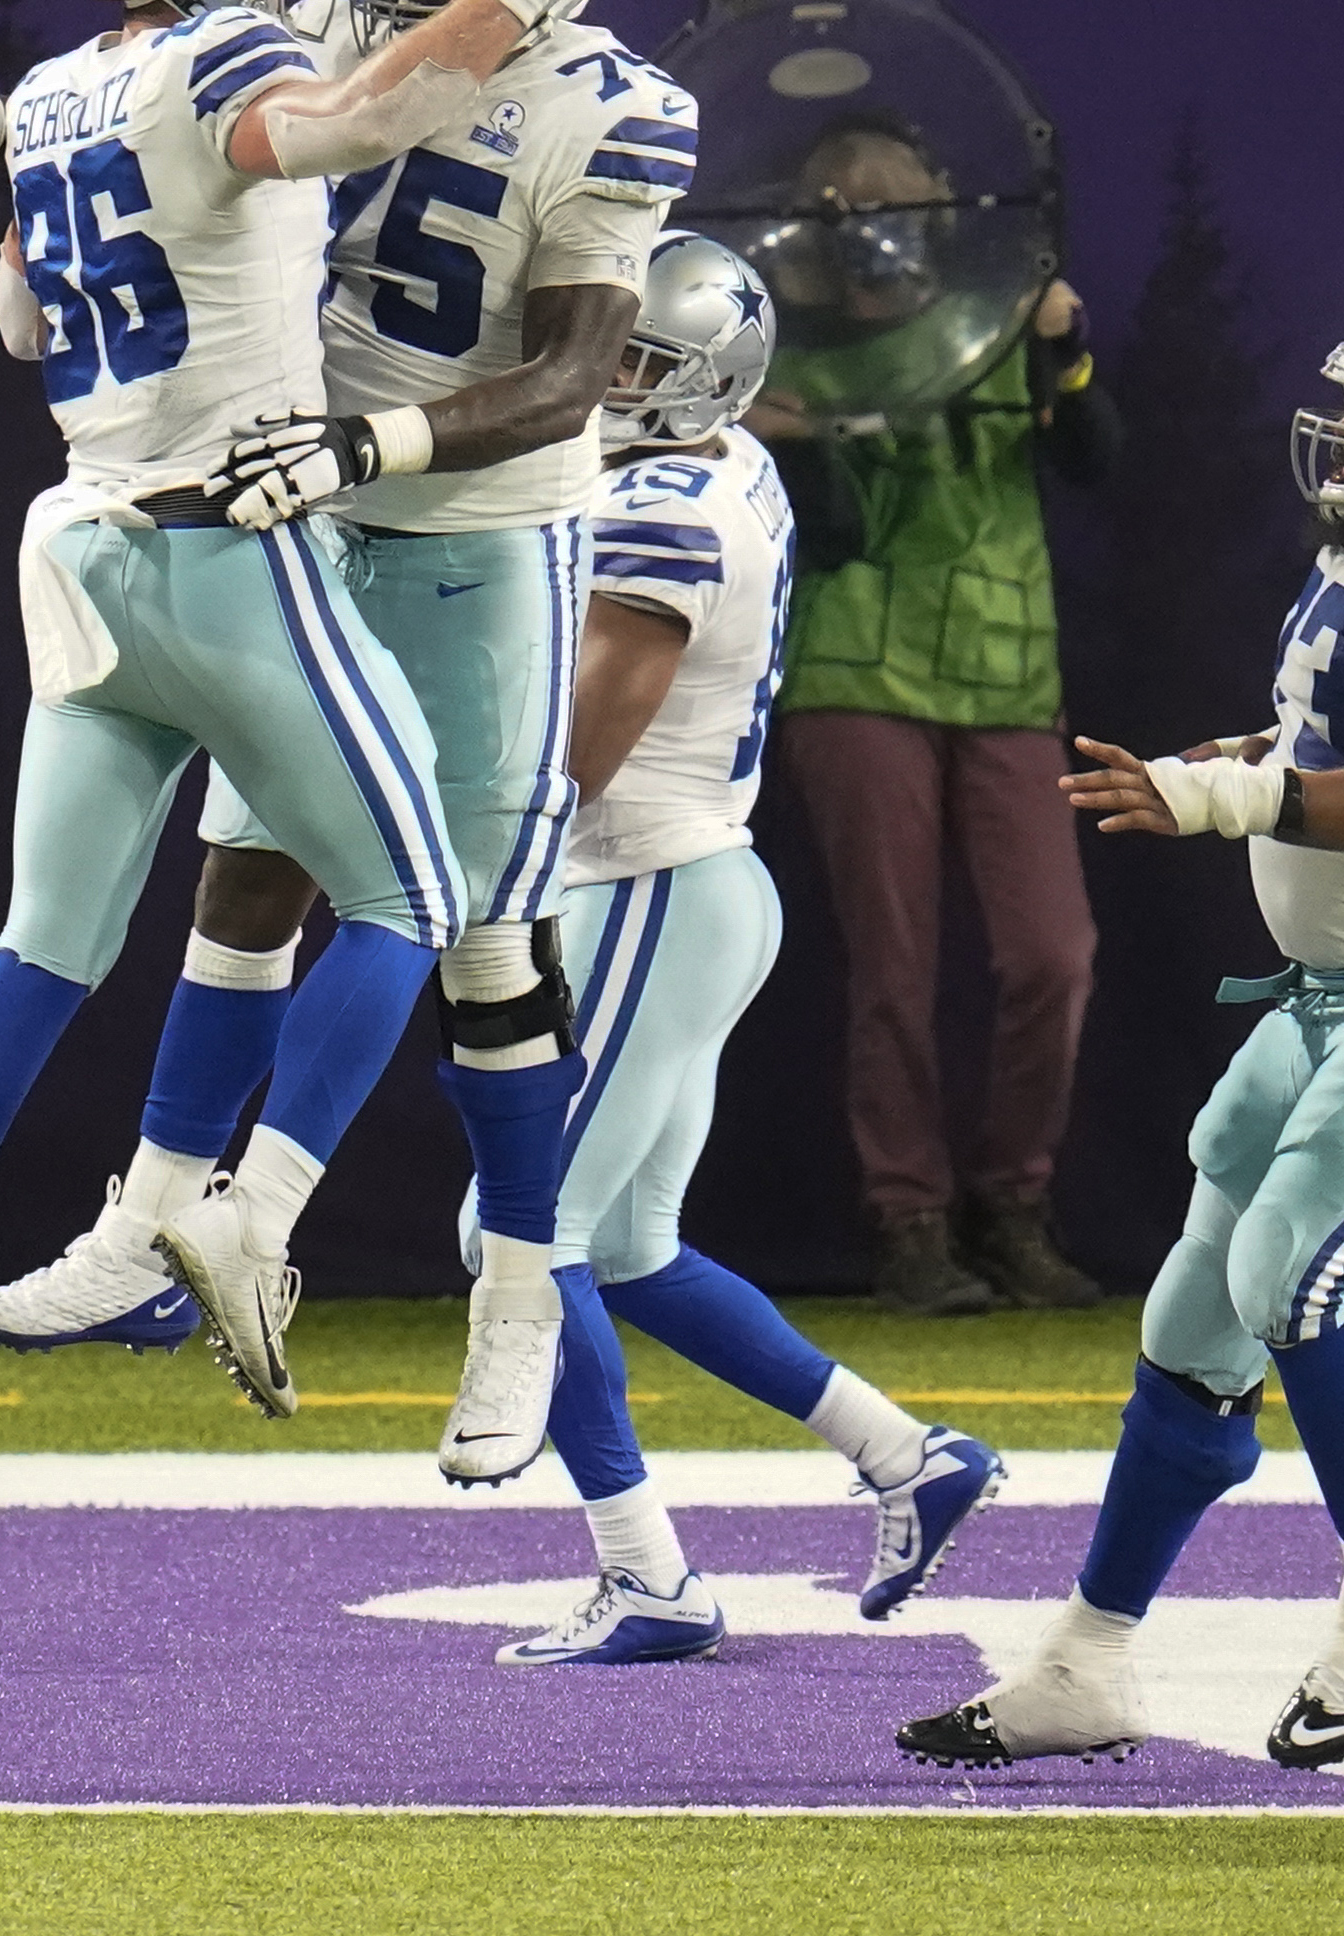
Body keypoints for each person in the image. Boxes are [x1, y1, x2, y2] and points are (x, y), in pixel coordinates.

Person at [0, 0, 648, 1486]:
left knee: (43, 943)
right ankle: (239, 1207)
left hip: (88, 542)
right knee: (419, 902)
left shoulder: (57, 86)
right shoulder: (263, 58)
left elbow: (21, 312)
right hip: (249, 537)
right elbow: (354, 113)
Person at [895, 286, 1344, 1771]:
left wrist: (1220, 799)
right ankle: (1089, 1664)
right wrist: (1242, 755)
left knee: (1296, 1275)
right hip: (1330, 1000)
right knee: (1191, 1324)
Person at [478, 233, 1003, 1663]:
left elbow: (586, 747)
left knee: (518, 1237)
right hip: (685, 886)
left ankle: (646, 1573)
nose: (596, 372)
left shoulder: (666, 507)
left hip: (647, 883)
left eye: (629, 356)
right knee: (633, 1249)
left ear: (695, 379)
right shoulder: (720, 466)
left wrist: (455, 842)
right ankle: (909, 1456)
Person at [753, 112, 1120, 1316]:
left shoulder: (1000, 320)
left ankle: (1014, 1203)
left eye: (893, 202)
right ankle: (909, 1219)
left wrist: (1065, 352)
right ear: (811, 223)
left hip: (1008, 669)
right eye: (844, 207)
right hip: (855, 671)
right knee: (893, 965)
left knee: (1052, 955)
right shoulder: (785, 346)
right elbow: (840, 535)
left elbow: (1100, 463)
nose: (873, 228)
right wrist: (795, 446)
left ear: (944, 207)